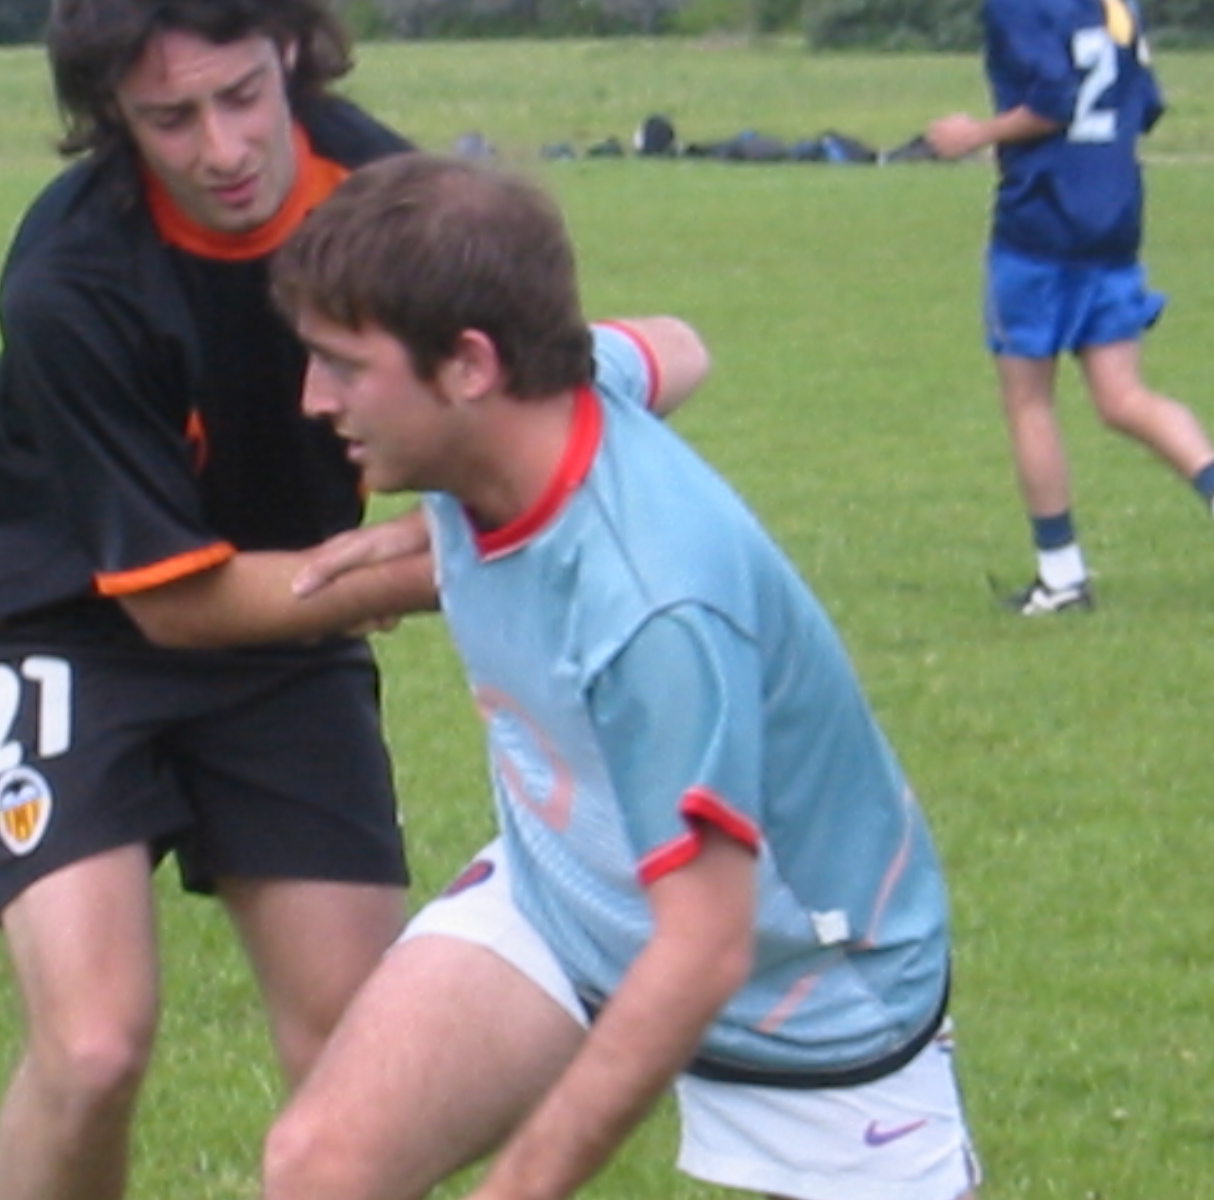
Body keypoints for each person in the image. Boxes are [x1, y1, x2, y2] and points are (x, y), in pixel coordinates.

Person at [258, 151, 982, 1200]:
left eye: (342, 364)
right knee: (321, 1168)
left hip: (808, 994)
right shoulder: (551, 387)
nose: (312, 397)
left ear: (469, 367)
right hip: (568, 904)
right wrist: (432, 530)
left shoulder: (653, 607)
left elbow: (702, 951)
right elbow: (678, 347)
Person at [0, 2, 438, 1197]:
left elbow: (495, 388)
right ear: (112, 115)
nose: (223, 149)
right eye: (171, 118)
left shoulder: (387, 198)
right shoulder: (72, 279)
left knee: (357, 1045)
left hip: (286, 611)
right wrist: (428, 569)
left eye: (241, 96)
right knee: (93, 1046)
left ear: (286, 51)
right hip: (51, 622)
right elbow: (177, 608)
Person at [925, 0, 1214, 614]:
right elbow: (1144, 103)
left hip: (1042, 220)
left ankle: (1061, 577)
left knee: (1029, 400)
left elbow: (1053, 100)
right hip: (1113, 216)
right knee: (1122, 396)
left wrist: (974, 135)